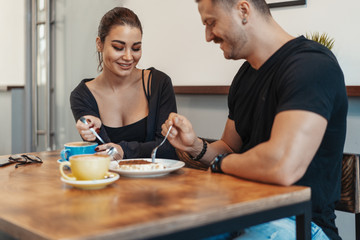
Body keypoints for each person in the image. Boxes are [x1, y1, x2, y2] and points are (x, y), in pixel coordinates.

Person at [162, 0, 347, 239]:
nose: (208, 36)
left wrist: (221, 164)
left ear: (243, 10)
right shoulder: (245, 75)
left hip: (302, 222)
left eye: (211, 22)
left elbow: (282, 166)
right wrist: (195, 146)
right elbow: (229, 147)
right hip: (243, 210)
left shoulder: (311, 65)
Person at [70, 7, 177, 160]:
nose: (128, 57)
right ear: (99, 44)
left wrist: (123, 150)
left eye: (136, 48)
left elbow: (167, 148)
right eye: (118, 47)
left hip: (159, 181)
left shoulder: (159, 83)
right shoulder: (82, 95)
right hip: (109, 180)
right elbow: (101, 153)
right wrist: (94, 130)